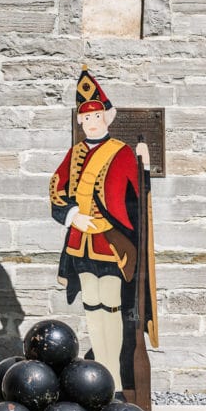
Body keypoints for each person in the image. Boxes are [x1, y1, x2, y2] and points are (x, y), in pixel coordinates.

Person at [49, 67, 149, 394]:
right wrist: (71, 216)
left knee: (111, 305)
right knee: (91, 305)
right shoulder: (75, 153)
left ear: (108, 117)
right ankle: (102, 377)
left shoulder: (120, 151)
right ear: (81, 121)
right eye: (86, 118)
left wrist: (144, 167)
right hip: (80, 242)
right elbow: (57, 187)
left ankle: (115, 379)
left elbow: (137, 194)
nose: (92, 123)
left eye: (97, 117)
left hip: (111, 242)